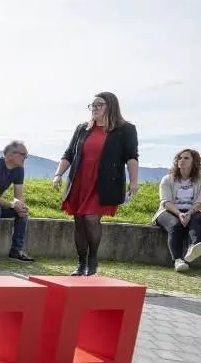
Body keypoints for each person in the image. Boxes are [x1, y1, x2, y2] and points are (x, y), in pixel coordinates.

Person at [53, 92, 140, 276]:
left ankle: (93, 259)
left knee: (91, 219)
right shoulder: (82, 128)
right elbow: (69, 153)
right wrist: (58, 174)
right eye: (92, 105)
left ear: (111, 106)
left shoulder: (125, 129)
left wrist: (134, 181)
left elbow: (131, 156)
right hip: (80, 180)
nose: (94, 108)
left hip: (104, 182)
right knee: (79, 221)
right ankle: (80, 262)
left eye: (99, 104)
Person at [152, 148, 201, 272]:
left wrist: (189, 213)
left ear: (194, 162)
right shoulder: (167, 179)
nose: (181, 160)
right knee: (175, 225)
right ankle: (177, 260)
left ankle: (193, 248)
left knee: (199, 220)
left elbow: (200, 202)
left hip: (193, 210)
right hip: (169, 210)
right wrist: (179, 214)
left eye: (186, 158)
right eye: (180, 157)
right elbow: (165, 202)